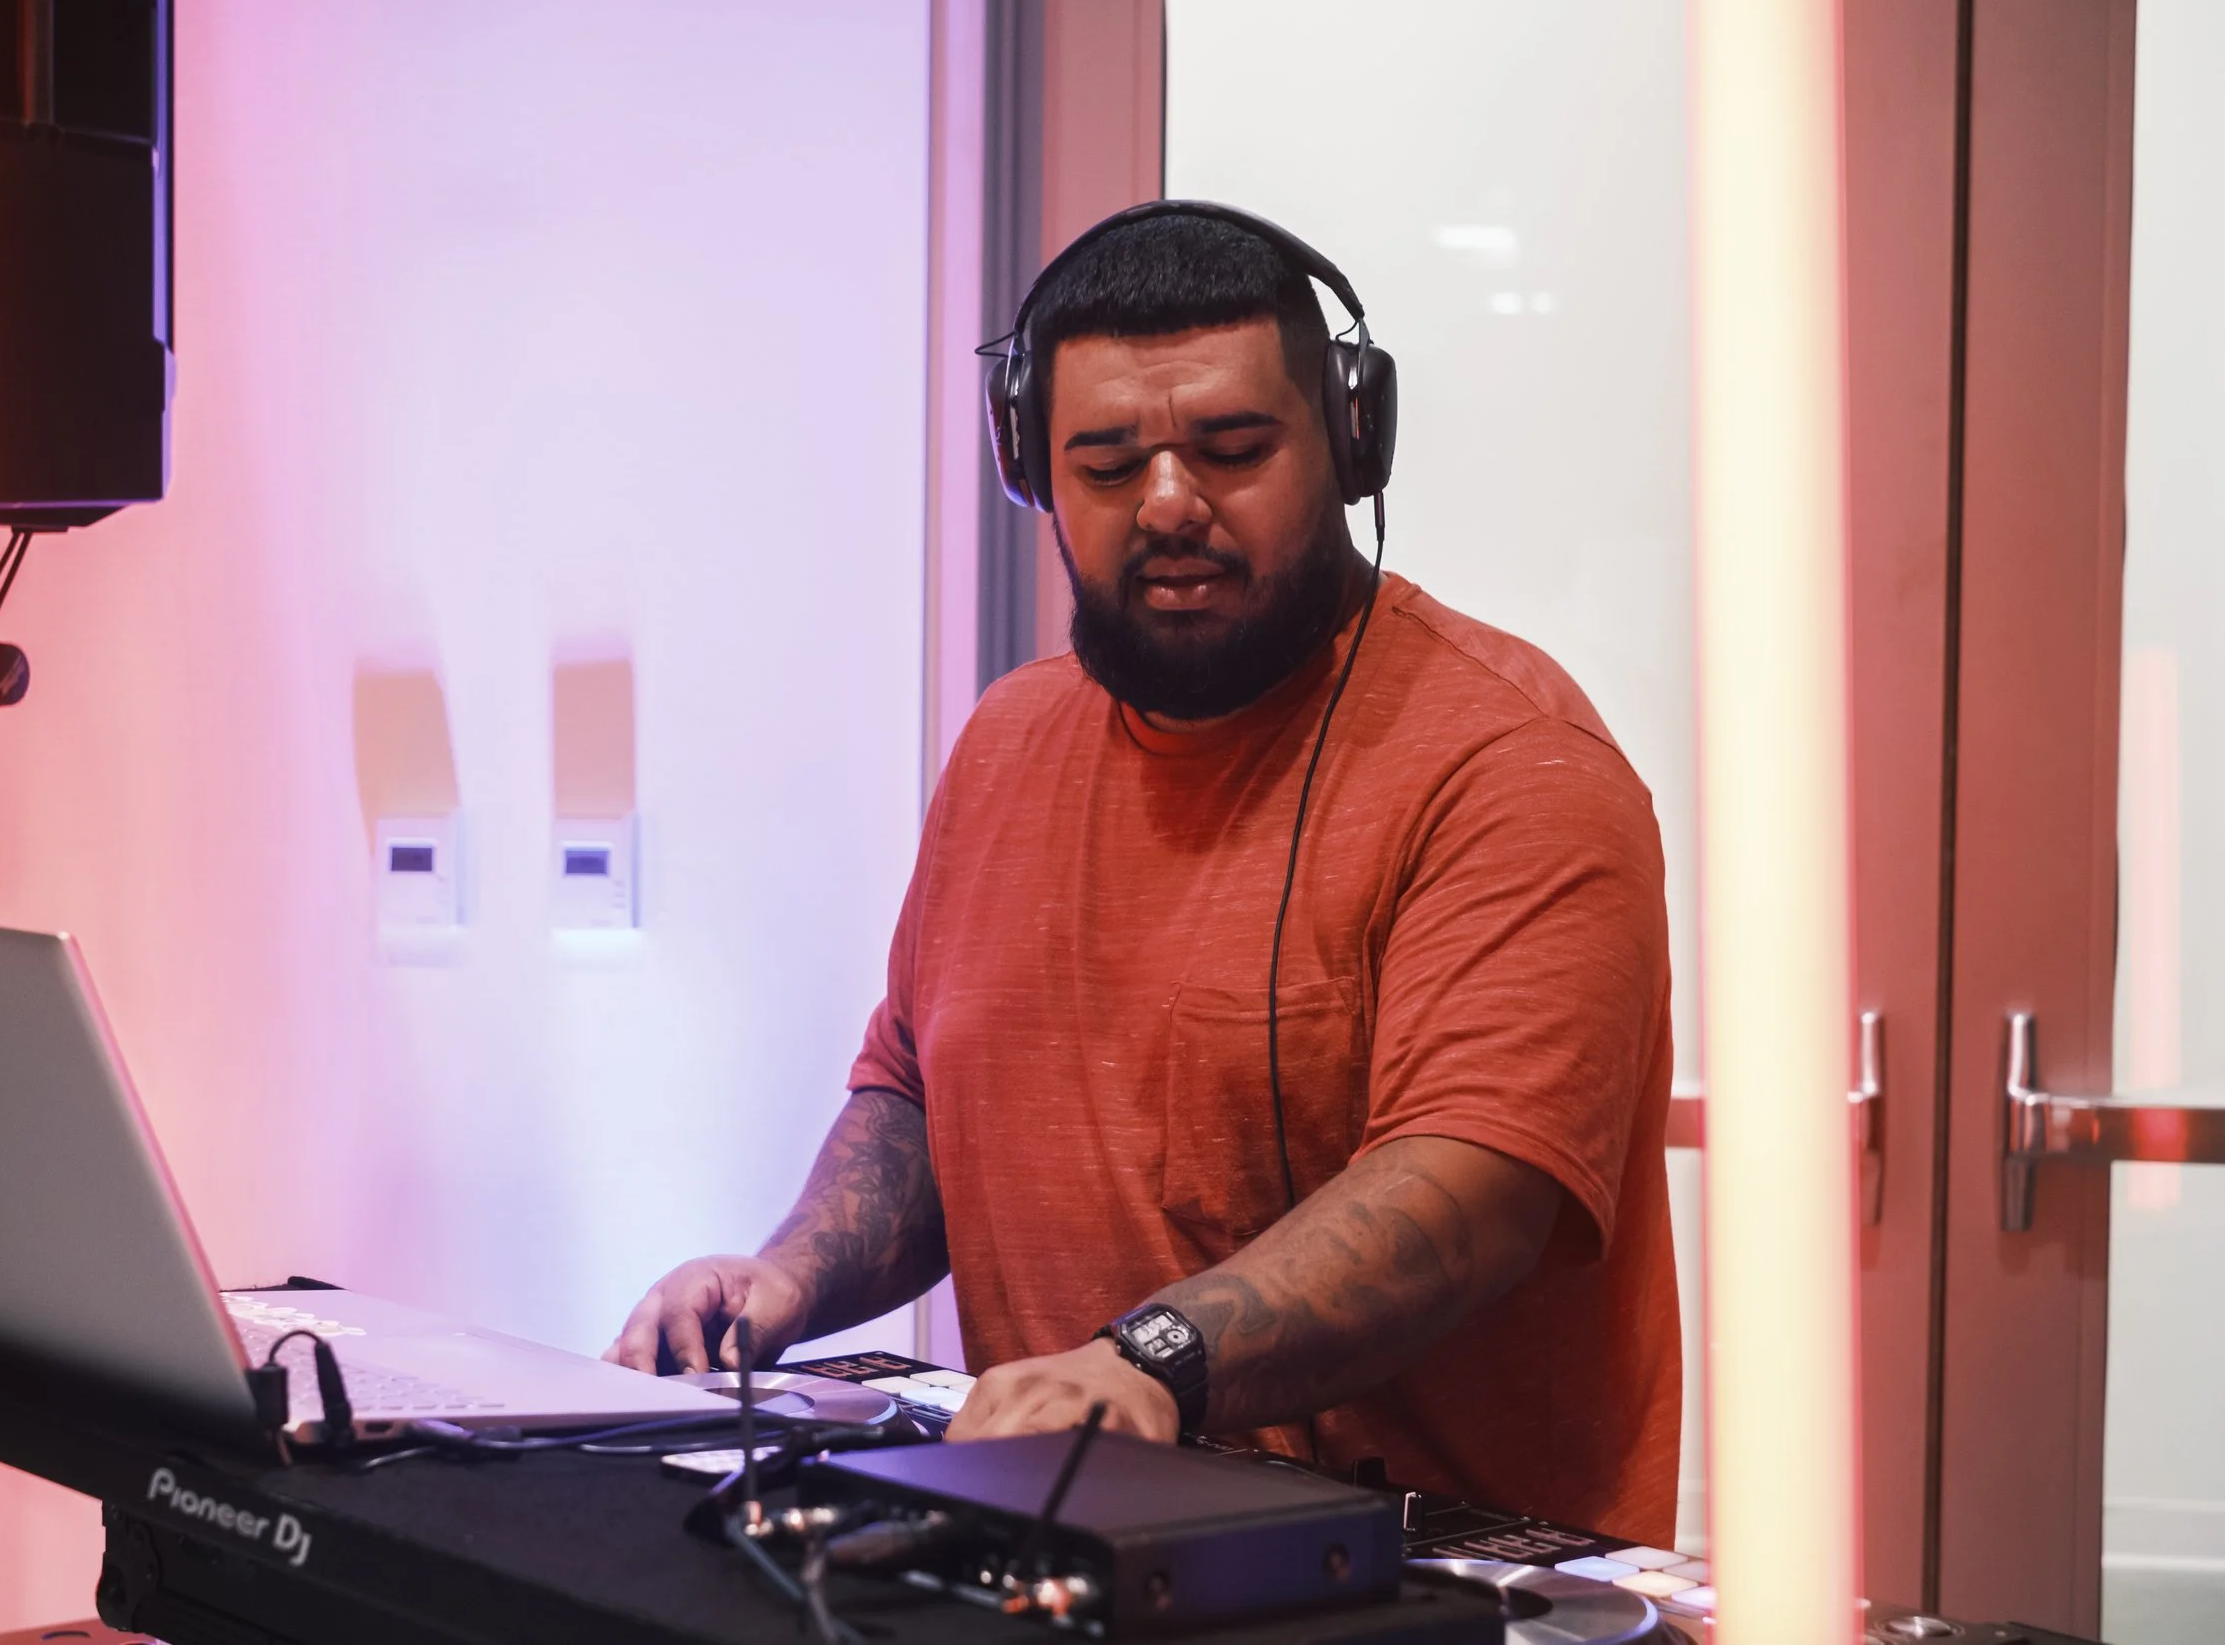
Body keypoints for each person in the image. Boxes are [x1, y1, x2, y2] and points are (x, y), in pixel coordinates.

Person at [606, 205, 1679, 1540]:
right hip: (1061, 1542)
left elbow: (1473, 1195)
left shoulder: (1513, 764)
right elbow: (918, 1098)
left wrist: (1149, 1359)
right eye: (1108, 463)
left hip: (1426, 1579)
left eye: (1231, 449)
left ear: (1350, 445)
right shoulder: (1008, 742)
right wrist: (786, 1277)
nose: (1169, 504)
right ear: (1034, 472)